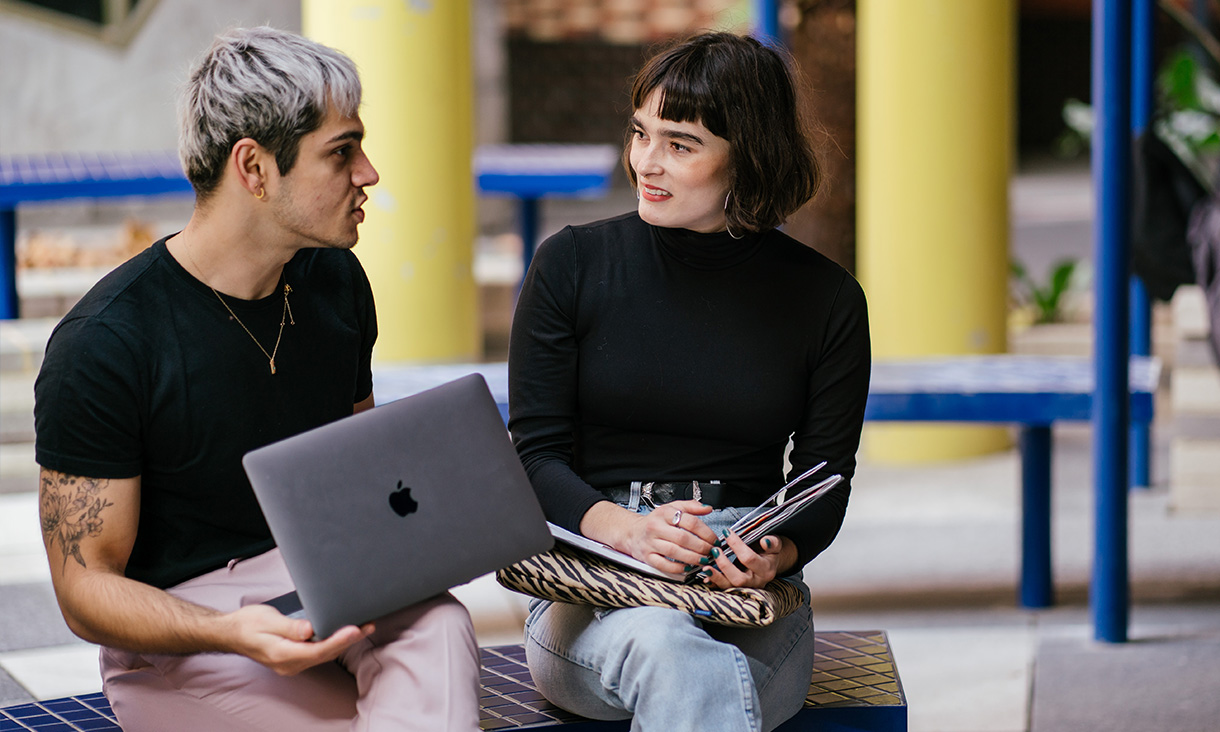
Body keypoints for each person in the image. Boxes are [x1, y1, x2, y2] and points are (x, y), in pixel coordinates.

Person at [33, 27, 480, 732]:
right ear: (254, 167)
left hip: (319, 575)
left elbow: (360, 474)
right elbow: (84, 588)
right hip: (183, 632)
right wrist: (230, 631)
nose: (368, 172)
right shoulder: (107, 342)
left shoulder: (333, 282)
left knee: (440, 622)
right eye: (341, 152)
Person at [507, 32, 871, 732]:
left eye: (680, 145)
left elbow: (826, 479)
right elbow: (532, 458)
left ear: (750, 157)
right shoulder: (571, 265)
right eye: (640, 133)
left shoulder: (825, 299)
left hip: (742, 585)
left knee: (693, 670)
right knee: (669, 650)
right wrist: (630, 534)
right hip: (593, 583)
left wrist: (776, 554)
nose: (647, 162)